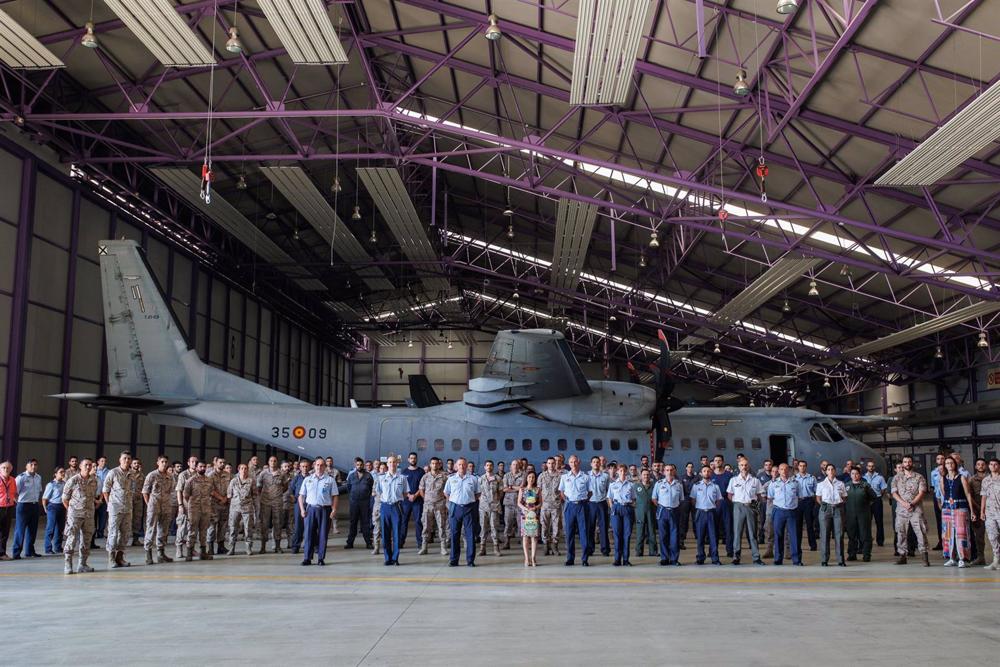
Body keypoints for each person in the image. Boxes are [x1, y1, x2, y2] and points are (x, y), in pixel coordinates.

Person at [298, 457, 338, 566]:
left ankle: (321, 558)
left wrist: (334, 509)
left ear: (324, 467)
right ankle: (307, 558)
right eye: (317, 465)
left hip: (324, 510)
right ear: (314, 466)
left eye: (321, 465)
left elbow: (335, 496)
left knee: (323, 535)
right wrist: (302, 509)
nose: (319, 467)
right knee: (308, 534)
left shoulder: (330, 480)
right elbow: (301, 496)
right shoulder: (308, 479)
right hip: (310, 510)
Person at [892, 455, 930, 566]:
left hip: (916, 509)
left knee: (920, 531)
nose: (907, 463)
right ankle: (902, 556)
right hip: (901, 510)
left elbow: (922, 492)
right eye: (905, 462)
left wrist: (912, 503)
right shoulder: (897, 478)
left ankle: (924, 556)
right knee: (901, 532)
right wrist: (903, 503)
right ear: (902, 464)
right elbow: (894, 493)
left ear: (912, 463)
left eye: (909, 461)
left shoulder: (919, 477)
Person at [62, 458, 98, 574]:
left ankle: (82, 564)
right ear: (81, 467)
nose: (88, 467)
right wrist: (72, 510)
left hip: (88, 515)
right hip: (75, 514)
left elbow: (93, 497)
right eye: (86, 465)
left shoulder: (94, 481)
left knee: (86, 540)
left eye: (90, 465)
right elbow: (65, 499)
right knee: (71, 538)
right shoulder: (73, 480)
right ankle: (68, 564)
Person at [442, 457, 480, 567]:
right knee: (454, 534)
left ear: (467, 465)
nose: (462, 467)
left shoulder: (473, 479)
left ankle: (470, 560)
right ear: (456, 466)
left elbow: (478, 494)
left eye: (464, 464)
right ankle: (454, 560)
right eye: (459, 465)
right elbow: (446, 493)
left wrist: (468, 500)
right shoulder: (451, 479)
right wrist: (454, 501)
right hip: (455, 508)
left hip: (469, 508)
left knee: (470, 535)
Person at [727, 459, 765, 566]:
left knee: (752, 533)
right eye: (741, 465)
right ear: (739, 467)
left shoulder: (755, 481)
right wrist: (737, 503)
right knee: (737, 533)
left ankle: (756, 557)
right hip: (738, 506)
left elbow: (759, 495)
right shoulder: (733, 480)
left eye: (746, 465)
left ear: (749, 466)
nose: (744, 467)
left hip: (751, 507)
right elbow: (729, 495)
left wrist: (754, 505)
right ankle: (736, 557)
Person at [940, 455, 976, 568]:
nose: (949, 465)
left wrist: (972, 511)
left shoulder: (961, 478)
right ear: (944, 465)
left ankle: (963, 558)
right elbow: (944, 494)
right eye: (947, 463)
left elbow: (968, 494)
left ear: (955, 464)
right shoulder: (943, 478)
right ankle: (951, 558)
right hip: (947, 509)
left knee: (962, 533)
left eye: (951, 463)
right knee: (948, 534)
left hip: (960, 508)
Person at [183, 460, 222, 561]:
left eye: (204, 467)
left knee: (204, 531)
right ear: (196, 468)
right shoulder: (190, 480)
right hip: (194, 509)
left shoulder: (209, 480)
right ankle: (189, 552)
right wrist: (189, 508)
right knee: (192, 531)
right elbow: (186, 496)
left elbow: (211, 492)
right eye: (200, 467)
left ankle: (203, 552)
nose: (203, 468)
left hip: (206, 509)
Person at [558, 455, 592, 566]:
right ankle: (570, 558)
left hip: (582, 506)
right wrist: (568, 501)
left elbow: (590, 491)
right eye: (571, 462)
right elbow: (561, 492)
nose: (573, 464)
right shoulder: (564, 477)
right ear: (569, 463)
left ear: (579, 462)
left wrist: (584, 501)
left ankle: (584, 559)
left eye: (575, 462)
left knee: (584, 533)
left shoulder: (586, 477)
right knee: (569, 533)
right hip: (570, 507)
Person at [141, 456, 175, 564]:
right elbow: (145, 491)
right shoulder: (152, 475)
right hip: (154, 506)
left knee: (163, 531)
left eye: (166, 462)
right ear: (158, 463)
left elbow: (171, 491)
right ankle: (148, 554)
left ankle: (161, 554)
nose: (164, 464)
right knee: (151, 529)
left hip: (166, 506)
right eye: (162, 462)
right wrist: (149, 504)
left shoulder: (170, 477)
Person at [103, 452, 134, 568]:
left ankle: (119, 557)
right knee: (113, 533)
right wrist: (109, 504)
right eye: (124, 458)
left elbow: (133, 490)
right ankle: (111, 558)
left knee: (125, 534)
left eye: (128, 458)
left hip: (127, 508)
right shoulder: (113, 472)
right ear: (120, 460)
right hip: (115, 508)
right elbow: (105, 490)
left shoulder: (132, 474)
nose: (127, 460)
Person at [768, 463, 802, 566]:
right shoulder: (773, 484)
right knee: (778, 535)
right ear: (778, 471)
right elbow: (770, 497)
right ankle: (778, 559)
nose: (784, 471)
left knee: (794, 536)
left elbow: (799, 496)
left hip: (792, 511)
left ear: (789, 470)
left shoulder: (795, 483)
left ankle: (796, 560)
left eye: (786, 469)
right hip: (778, 511)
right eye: (781, 469)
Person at [10, 459, 43, 560]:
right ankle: (16, 553)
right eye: (31, 464)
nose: (33, 466)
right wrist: (19, 503)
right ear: (26, 466)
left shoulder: (38, 477)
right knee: (20, 530)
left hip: (34, 505)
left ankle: (30, 551)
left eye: (35, 464)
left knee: (32, 530)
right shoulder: (21, 478)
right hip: (23, 506)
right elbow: (14, 493)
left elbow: (39, 491)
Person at [376, 456, 406, 565]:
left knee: (397, 533)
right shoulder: (381, 478)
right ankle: (387, 558)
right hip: (385, 507)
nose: (392, 464)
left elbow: (405, 493)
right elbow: (379, 491)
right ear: (387, 464)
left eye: (394, 462)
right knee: (385, 534)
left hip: (396, 507)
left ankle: (395, 558)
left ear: (397, 463)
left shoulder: (402, 478)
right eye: (390, 462)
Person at [816, 464, 847, 567]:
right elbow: (818, 498)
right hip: (825, 509)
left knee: (839, 534)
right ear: (826, 472)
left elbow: (844, 497)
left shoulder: (841, 484)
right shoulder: (821, 484)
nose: (830, 471)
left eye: (832, 469)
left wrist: (839, 504)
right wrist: (824, 505)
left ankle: (841, 560)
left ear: (835, 471)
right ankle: (824, 560)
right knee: (825, 534)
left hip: (838, 508)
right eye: (828, 469)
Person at [652, 464, 684, 566]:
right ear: (664, 472)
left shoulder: (679, 485)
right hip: (663, 511)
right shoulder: (659, 484)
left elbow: (681, 499)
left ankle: (674, 559)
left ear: (674, 471)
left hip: (674, 511)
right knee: (663, 536)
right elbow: (654, 498)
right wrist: (662, 507)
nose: (669, 472)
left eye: (671, 470)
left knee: (674, 537)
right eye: (667, 470)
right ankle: (664, 558)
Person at [257, 456, 289, 554]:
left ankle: (277, 546)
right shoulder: (263, 473)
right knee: (264, 524)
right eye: (271, 461)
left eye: (275, 461)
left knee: (278, 523)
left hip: (277, 502)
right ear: (268, 462)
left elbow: (285, 486)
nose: (273, 462)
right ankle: (263, 547)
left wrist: (277, 494)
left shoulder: (282, 474)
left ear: (277, 462)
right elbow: (259, 486)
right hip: (265, 502)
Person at [691, 465, 722, 565]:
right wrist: (701, 506)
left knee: (713, 537)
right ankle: (700, 557)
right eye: (704, 471)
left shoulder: (715, 486)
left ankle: (715, 558)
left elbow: (718, 501)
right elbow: (693, 500)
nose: (706, 473)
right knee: (700, 537)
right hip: (700, 513)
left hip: (711, 513)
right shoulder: (696, 486)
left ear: (711, 473)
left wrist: (710, 507)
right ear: (701, 473)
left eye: (708, 471)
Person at [417, 457, 448, 556]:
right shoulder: (425, 477)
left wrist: (445, 502)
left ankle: (443, 547)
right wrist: (426, 499)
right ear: (430, 465)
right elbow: (421, 489)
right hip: (428, 505)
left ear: (439, 465)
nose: (434, 465)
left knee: (441, 526)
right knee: (426, 526)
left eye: (436, 463)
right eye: (432, 463)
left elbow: (447, 491)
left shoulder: (444, 477)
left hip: (440, 505)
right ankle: (424, 547)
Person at [845, 466, 876, 562]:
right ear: (850, 475)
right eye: (853, 474)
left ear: (860, 475)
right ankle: (852, 554)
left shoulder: (865, 485)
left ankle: (866, 554)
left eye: (857, 474)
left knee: (865, 535)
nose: (855, 476)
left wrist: (865, 506)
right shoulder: (846, 486)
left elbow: (873, 497)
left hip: (863, 515)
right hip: (850, 515)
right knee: (852, 535)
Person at [227, 463, 257, 556]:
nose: (244, 470)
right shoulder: (233, 481)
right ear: (238, 470)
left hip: (247, 508)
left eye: (245, 468)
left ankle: (248, 548)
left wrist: (255, 507)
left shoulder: (251, 481)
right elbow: (229, 494)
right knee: (233, 528)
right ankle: (232, 548)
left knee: (248, 528)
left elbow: (255, 494)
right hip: (235, 508)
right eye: (242, 468)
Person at [607, 465, 634, 566]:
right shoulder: (612, 485)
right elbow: (609, 498)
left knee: (627, 534)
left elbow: (634, 498)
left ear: (626, 472)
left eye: (624, 470)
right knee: (617, 534)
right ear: (617, 472)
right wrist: (612, 507)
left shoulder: (631, 485)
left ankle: (626, 559)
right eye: (620, 470)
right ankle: (617, 559)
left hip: (627, 507)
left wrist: (630, 506)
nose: (622, 472)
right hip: (616, 508)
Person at [345, 457, 374, 551]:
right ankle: (350, 543)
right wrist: (353, 496)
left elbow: (371, 488)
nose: (359, 466)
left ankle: (368, 543)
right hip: (354, 502)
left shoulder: (368, 476)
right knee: (353, 522)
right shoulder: (351, 476)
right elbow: (349, 488)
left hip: (365, 502)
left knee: (365, 523)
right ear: (355, 465)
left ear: (363, 465)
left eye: (361, 464)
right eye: (357, 465)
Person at [174, 456, 199, 561]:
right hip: (185, 505)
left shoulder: (199, 475)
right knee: (182, 527)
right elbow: (179, 490)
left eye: (196, 462)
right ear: (188, 463)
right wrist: (180, 505)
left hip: (196, 506)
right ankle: (179, 549)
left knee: (193, 529)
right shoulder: (183, 475)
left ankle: (191, 548)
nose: (194, 463)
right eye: (192, 461)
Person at [205, 457, 232, 556]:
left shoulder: (228, 475)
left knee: (223, 525)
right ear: (215, 463)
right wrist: (221, 498)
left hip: (225, 504)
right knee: (212, 526)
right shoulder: (210, 475)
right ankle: (210, 547)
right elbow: (210, 490)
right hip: (214, 504)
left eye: (224, 463)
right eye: (220, 462)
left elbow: (231, 488)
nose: (222, 464)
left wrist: (226, 499)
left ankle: (221, 546)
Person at [586, 457, 611, 559]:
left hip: (602, 503)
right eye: (594, 462)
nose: (596, 464)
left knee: (604, 527)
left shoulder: (605, 476)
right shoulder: (586, 476)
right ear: (591, 464)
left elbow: (609, 490)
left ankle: (605, 549)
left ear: (600, 463)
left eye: (597, 462)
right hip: (590, 503)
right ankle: (590, 549)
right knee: (590, 527)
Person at [537, 457, 562, 556]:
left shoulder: (560, 476)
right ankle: (546, 545)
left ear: (555, 464)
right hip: (545, 505)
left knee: (556, 527)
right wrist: (539, 503)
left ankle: (555, 546)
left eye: (552, 463)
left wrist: (559, 499)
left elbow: (562, 491)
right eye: (549, 463)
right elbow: (539, 491)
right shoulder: (542, 476)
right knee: (544, 526)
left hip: (556, 505)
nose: (551, 465)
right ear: (546, 464)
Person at [478, 460, 503, 557]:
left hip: (494, 507)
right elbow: (478, 492)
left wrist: (495, 500)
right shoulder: (480, 479)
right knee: (483, 527)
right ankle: (482, 548)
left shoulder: (498, 478)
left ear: (493, 467)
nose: (489, 467)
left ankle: (496, 548)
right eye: (487, 465)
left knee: (494, 527)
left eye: (491, 465)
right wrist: (483, 500)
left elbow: (501, 492)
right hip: (483, 507)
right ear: (484, 467)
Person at [710, 456, 734, 559]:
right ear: (713, 463)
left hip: (726, 502)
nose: (718, 462)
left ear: (723, 462)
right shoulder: (710, 475)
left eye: (719, 460)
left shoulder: (729, 475)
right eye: (716, 460)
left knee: (728, 528)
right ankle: (712, 550)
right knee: (713, 528)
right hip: (714, 504)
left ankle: (730, 550)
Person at [400, 452, 425, 550]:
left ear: (416, 459)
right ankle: (401, 542)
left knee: (418, 522)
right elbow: (401, 487)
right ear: (408, 459)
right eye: (411, 458)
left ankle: (420, 543)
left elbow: (423, 487)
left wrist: (415, 495)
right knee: (403, 521)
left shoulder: (421, 472)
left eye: (414, 458)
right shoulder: (404, 472)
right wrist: (409, 495)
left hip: (418, 501)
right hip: (406, 501)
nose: (413, 460)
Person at [518, 470, 542, 567]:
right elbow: (519, 502)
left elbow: (540, 502)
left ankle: (533, 557)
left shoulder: (537, 490)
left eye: (532, 477)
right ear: (526, 478)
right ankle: (527, 558)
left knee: (534, 536)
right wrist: (525, 509)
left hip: (534, 515)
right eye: (529, 477)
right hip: (525, 515)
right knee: (525, 537)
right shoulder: (522, 489)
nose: (531, 479)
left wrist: (535, 508)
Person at [794, 461, 818, 553]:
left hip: (809, 502)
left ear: (806, 467)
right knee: (798, 525)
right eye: (800, 466)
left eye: (804, 466)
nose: (802, 467)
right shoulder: (794, 478)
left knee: (810, 524)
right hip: (798, 502)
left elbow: (817, 492)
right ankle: (797, 545)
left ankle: (813, 545)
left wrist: (815, 503)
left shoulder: (812, 478)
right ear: (798, 467)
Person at [42, 467, 67, 555]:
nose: (63, 473)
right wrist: (45, 509)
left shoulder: (65, 484)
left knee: (60, 528)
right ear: (55, 474)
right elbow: (45, 498)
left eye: (63, 472)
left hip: (62, 506)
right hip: (53, 506)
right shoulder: (51, 484)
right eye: (61, 472)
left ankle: (58, 547)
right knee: (50, 528)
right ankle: (48, 548)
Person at [981, 459, 1000, 570]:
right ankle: (996, 561)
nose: (993, 466)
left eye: (995, 464)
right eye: (991, 464)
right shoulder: (986, 480)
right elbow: (984, 496)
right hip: (990, 512)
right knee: (992, 537)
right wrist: (982, 511)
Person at [502, 459, 525, 550]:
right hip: (508, 504)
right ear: (510, 466)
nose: (515, 466)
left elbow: (522, 488)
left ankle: (523, 542)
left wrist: (510, 487)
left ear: (519, 466)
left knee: (521, 524)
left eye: (516, 464)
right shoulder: (506, 475)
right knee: (508, 523)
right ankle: (507, 542)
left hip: (520, 504)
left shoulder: (523, 475)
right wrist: (516, 488)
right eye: (513, 464)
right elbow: (504, 489)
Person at [863, 460, 887, 547]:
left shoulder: (880, 478)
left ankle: (880, 540)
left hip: (877, 500)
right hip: (867, 501)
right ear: (867, 467)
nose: (871, 467)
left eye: (872, 466)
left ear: (874, 467)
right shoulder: (863, 478)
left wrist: (878, 495)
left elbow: (883, 488)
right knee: (867, 522)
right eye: (869, 466)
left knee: (879, 521)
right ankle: (867, 539)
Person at [634, 468, 657, 557]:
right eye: (644, 475)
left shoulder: (654, 486)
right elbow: (631, 497)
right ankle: (639, 551)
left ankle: (653, 551)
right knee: (640, 532)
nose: (646, 476)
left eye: (647, 475)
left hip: (651, 511)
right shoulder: (636, 486)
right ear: (641, 476)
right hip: (640, 512)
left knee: (652, 532)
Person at [969, 458, 987, 566]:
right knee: (979, 536)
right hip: (978, 509)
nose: (980, 466)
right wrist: (978, 508)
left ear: (986, 466)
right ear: (975, 467)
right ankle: (981, 557)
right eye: (978, 464)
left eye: (983, 464)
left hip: (992, 509)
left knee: (996, 535)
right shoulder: (971, 480)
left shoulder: (992, 478)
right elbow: (969, 496)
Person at [289, 460, 310, 553]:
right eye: (303, 466)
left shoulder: (312, 478)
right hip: (299, 504)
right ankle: (295, 546)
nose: (305, 468)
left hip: (310, 504)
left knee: (310, 526)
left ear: (309, 467)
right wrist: (293, 498)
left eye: (306, 466)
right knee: (298, 526)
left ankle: (310, 545)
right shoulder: (296, 478)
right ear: (300, 468)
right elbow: (291, 490)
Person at [1, 462, 17, 560]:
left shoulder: (13, 480)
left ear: (11, 469)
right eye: (3, 468)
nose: (6, 469)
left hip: (9, 507)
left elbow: (14, 493)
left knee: (5, 532)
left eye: (8, 468)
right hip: (0, 506)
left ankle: (2, 553)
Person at [679, 462, 696, 549]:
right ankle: (681, 539)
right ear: (686, 468)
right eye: (688, 467)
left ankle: (698, 537)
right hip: (685, 499)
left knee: (695, 519)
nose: (690, 468)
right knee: (683, 520)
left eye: (691, 467)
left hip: (694, 500)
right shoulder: (682, 478)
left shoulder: (696, 478)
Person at [129, 458, 145, 546]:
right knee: (126, 519)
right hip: (128, 500)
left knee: (137, 519)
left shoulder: (141, 475)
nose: (136, 465)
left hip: (138, 500)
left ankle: (135, 539)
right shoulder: (127, 474)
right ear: (131, 464)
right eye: (134, 463)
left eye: (137, 463)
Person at [93, 456, 109, 539]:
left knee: (103, 515)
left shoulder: (109, 472)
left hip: (104, 495)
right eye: (102, 461)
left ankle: (101, 532)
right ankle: (93, 532)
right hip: (94, 495)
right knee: (93, 515)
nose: (104, 462)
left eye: (105, 461)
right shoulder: (94, 471)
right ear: (98, 462)